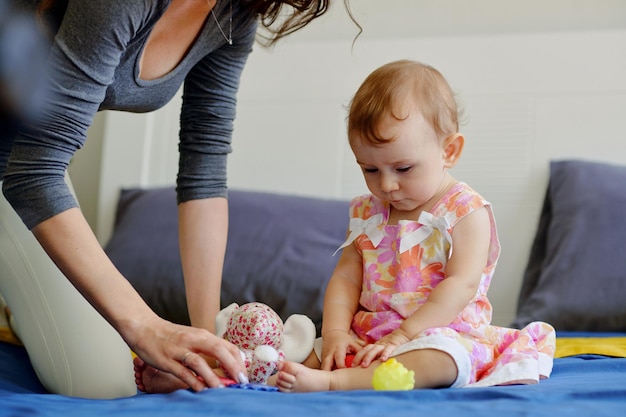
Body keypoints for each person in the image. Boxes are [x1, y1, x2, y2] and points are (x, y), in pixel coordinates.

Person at [0, 0, 353, 399]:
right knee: (102, 384)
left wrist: (210, 344)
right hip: (20, 174)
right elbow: (35, 171)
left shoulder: (234, 17)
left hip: (19, 166)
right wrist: (147, 325)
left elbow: (204, 169)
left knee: (108, 382)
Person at [274, 60, 556, 392]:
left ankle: (338, 382)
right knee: (305, 354)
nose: (387, 185)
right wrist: (336, 333)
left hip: (437, 333)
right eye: (370, 170)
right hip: (369, 335)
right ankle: (274, 367)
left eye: (403, 168)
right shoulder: (368, 212)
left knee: (441, 362)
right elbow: (346, 277)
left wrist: (405, 334)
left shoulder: (465, 211)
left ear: (448, 151)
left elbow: (461, 285)